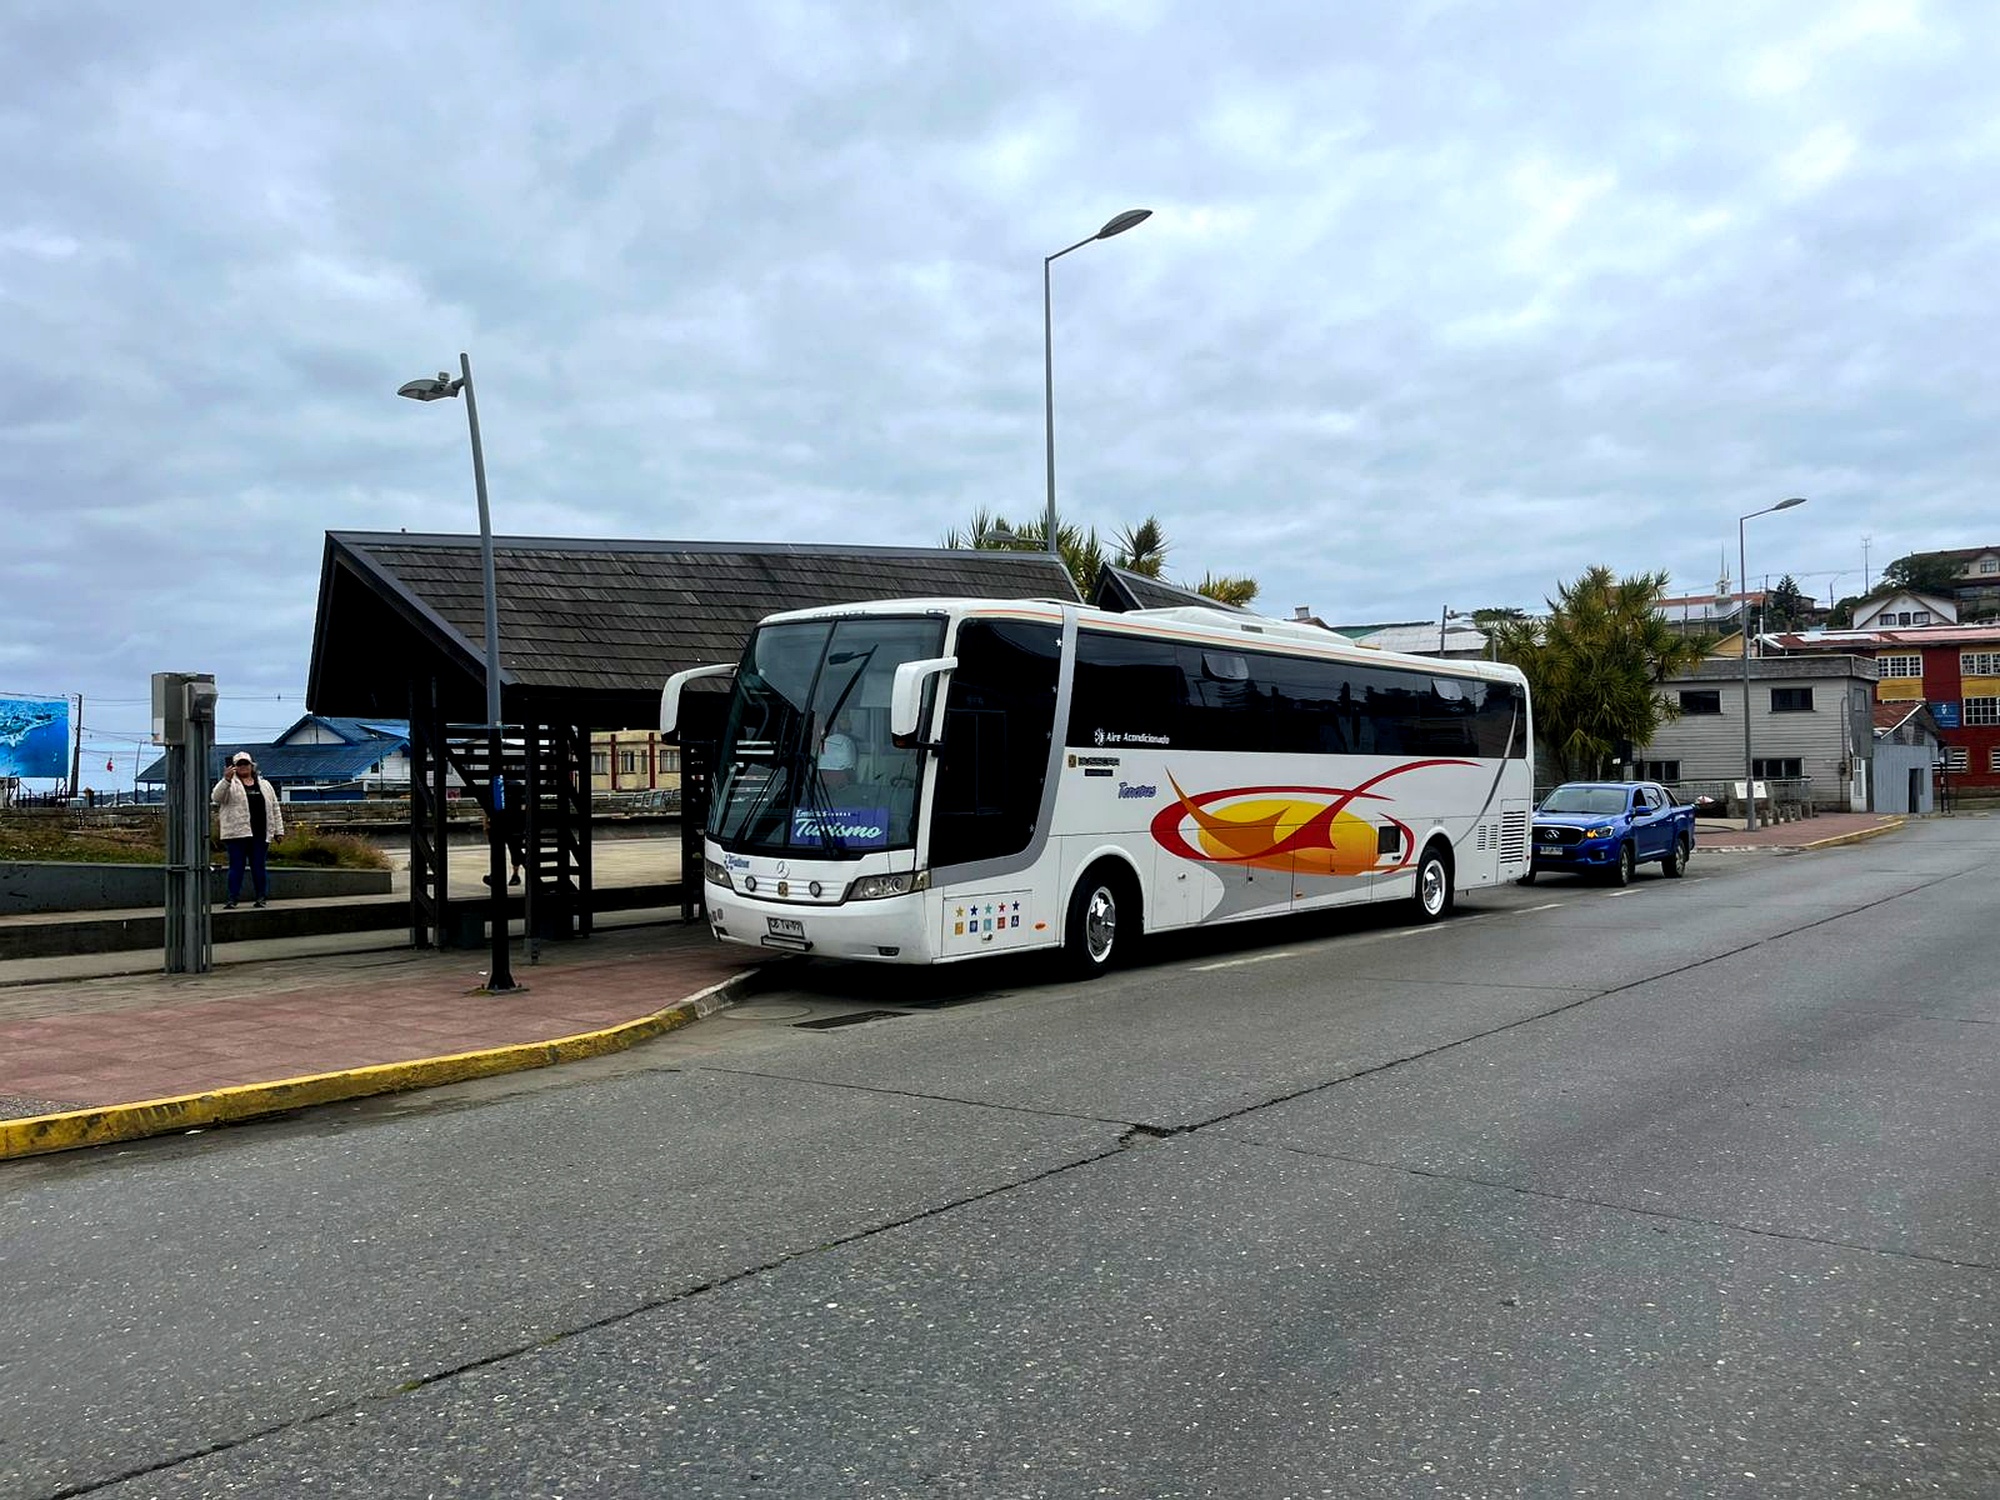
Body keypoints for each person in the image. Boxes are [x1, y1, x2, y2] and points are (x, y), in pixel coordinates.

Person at [211, 751, 284, 909]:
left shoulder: (265, 785)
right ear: (234, 767)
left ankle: (261, 897)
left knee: (259, 866)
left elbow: (274, 808)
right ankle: (232, 898)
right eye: (239, 764)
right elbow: (216, 798)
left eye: (246, 764)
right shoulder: (229, 784)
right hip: (236, 834)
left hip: (260, 833)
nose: (243, 767)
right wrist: (226, 779)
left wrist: (279, 831)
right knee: (236, 866)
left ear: (252, 766)